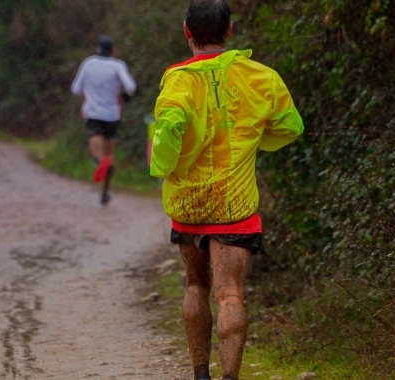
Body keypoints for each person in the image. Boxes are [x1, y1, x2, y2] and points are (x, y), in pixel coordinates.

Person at [149, 1, 304, 379]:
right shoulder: (261, 76)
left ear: (187, 31)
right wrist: (253, 140)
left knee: (195, 285)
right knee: (230, 293)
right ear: (229, 30)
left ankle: (200, 374)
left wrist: (162, 167)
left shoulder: (178, 79)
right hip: (236, 206)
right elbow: (290, 127)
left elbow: (169, 127)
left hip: (188, 204)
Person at [71, 36, 137, 205]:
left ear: (97, 49)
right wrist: (122, 95)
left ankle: (99, 162)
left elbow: (75, 88)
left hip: (93, 113)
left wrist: (90, 92)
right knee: (110, 154)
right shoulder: (117, 65)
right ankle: (105, 193)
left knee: (97, 151)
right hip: (112, 115)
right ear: (112, 50)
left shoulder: (88, 64)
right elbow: (131, 87)